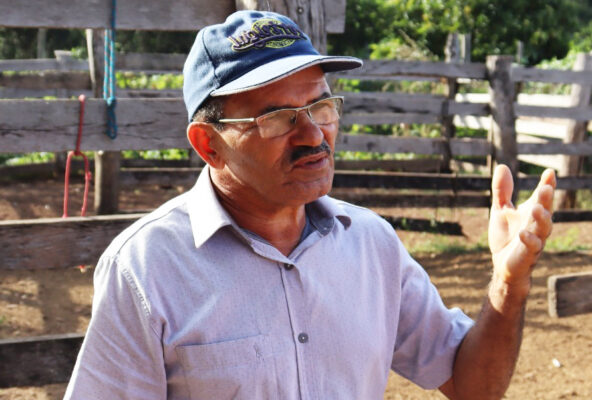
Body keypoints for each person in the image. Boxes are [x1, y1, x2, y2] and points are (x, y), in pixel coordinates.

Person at [65, 10, 556, 400]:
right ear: (208, 144)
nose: (314, 135)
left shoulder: (371, 246)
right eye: (278, 118)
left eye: (321, 107)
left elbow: (473, 386)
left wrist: (509, 284)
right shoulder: (148, 268)